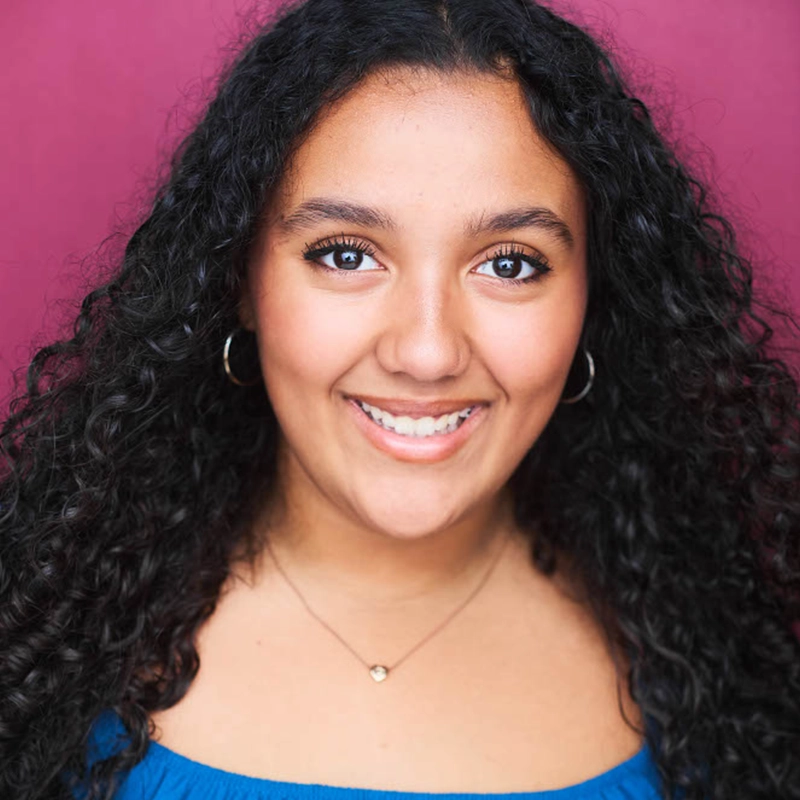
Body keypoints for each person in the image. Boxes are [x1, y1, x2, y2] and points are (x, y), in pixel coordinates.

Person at [1, 0, 798, 798]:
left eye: (511, 264)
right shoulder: (41, 649)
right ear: (238, 281)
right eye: (346, 254)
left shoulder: (716, 673)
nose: (426, 352)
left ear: (595, 298)